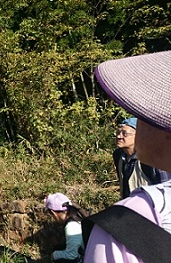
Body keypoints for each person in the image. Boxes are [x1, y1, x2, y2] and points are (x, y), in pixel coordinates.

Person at [82, 51, 171, 262]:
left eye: (143, 115)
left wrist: (131, 211)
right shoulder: (119, 157)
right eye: (118, 131)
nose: (120, 136)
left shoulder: (121, 227)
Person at [113, 117, 170, 198]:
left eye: (124, 133)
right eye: (118, 132)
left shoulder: (151, 157)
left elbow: (165, 188)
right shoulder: (118, 155)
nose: (119, 136)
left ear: (138, 135)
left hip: (151, 206)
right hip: (129, 205)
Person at [45, 193, 86, 263]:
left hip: (87, 257)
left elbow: (71, 255)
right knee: (58, 248)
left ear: (53, 213)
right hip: (86, 251)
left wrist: (54, 255)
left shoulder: (71, 226)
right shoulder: (77, 214)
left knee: (60, 258)